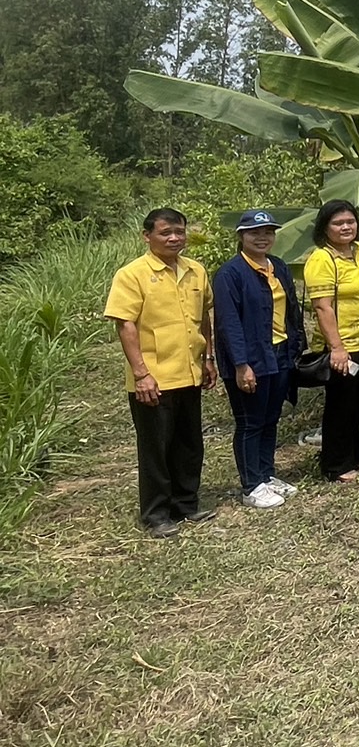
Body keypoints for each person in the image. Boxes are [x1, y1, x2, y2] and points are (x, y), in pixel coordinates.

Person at [104, 208, 218, 538]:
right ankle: (155, 513)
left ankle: (186, 503)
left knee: (189, 442)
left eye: (179, 231)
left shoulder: (195, 271)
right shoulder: (132, 274)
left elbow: (204, 318)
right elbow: (125, 325)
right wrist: (141, 374)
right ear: (147, 236)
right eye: (165, 232)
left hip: (190, 371)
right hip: (154, 376)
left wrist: (209, 357)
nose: (174, 238)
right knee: (156, 447)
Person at [214, 210, 305, 509]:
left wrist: (296, 345)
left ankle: (266, 474)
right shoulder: (230, 274)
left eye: (267, 231)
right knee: (250, 421)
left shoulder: (277, 266)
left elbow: (291, 309)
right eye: (254, 232)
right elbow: (229, 323)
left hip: (278, 354)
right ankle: (250, 484)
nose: (262, 237)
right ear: (241, 236)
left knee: (270, 418)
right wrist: (241, 365)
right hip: (250, 359)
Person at [303, 200, 359, 482]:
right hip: (341, 344)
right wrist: (336, 347)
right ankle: (335, 464)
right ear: (325, 227)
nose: (346, 227)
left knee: (357, 401)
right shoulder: (322, 259)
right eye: (338, 223)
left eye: (350, 221)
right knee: (341, 404)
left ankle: (351, 456)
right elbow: (323, 307)